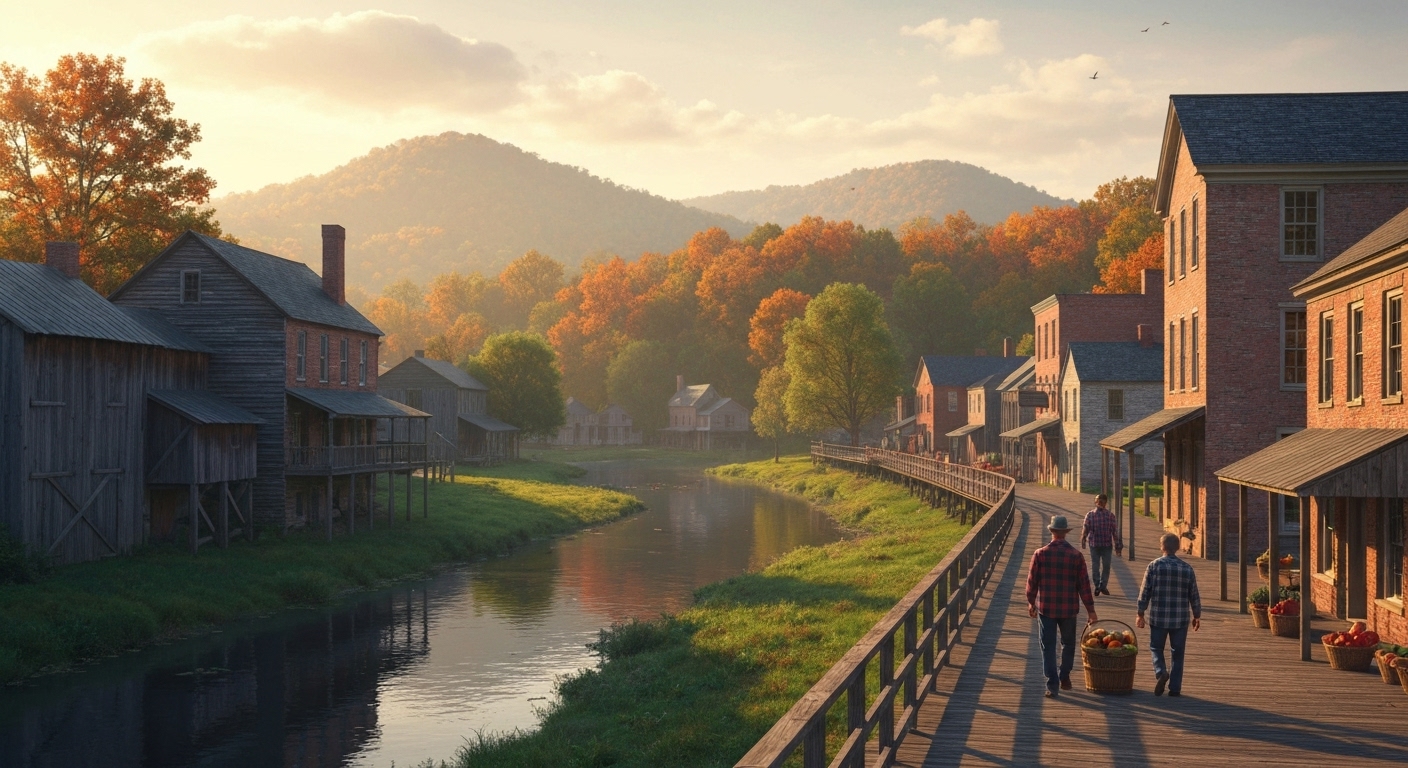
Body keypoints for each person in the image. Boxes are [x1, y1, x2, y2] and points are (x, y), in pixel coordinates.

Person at [1025, 515, 1098, 698]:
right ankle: (1064, 675)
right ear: (1065, 532)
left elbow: (1032, 582)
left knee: (1047, 646)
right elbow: (1084, 586)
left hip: (1046, 608)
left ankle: (1052, 684)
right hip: (1068, 609)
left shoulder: (1040, 554)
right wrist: (1091, 611)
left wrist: (1031, 602)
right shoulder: (1076, 556)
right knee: (1068, 644)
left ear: (1051, 531)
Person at [1136, 532, 1202, 696]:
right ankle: (1175, 688)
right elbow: (1193, 594)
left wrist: (1140, 613)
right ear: (1178, 548)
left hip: (1159, 616)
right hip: (1180, 619)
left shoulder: (1154, 566)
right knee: (1178, 653)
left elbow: (1145, 592)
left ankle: (1160, 671)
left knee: (1155, 647)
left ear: (1162, 547)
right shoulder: (1187, 569)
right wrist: (1197, 615)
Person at [1080, 493, 1122, 596]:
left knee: (1106, 566)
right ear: (1095, 502)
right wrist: (1083, 538)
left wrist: (1117, 546)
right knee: (1095, 565)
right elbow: (1086, 527)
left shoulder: (1110, 516)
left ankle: (1103, 585)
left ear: (1105, 503)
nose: (1100, 503)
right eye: (1098, 501)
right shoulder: (1090, 515)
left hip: (1106, 544)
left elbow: (1114, 531)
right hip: (1094, 544)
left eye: (1102, 501)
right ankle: (1097, 585)